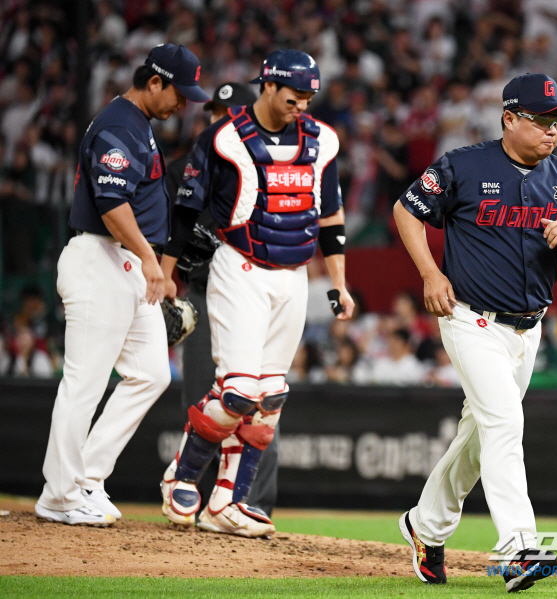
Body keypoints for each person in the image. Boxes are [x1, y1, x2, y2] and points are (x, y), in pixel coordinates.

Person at [394, 73, 557, 592]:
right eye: (541, 120)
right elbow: (406, 210)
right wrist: (430, 272)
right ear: (509, 118)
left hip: (527, 330)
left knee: (478, 437)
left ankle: (424, 525)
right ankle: (519, 546)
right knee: (505, 423)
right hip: (471, 320)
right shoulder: (464, 165)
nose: (552, 130)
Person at [159, 49, 354, 537]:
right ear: (268, 85)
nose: (301, 105)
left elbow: (330, 215)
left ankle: (226, 502)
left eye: (309, 97)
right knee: (239, 391)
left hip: (294, 276)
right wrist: (164, 273)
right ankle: (181, 475)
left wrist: (340, 282)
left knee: (270, 397)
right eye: (294, 95)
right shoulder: (224, 137)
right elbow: (185, 212)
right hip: (239, 267)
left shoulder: (322, 142)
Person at [34, 44, 208, 527]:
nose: (183, 104)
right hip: (100, 257)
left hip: (129, 265)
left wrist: (149, 264)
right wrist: (154, 261)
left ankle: (86, 477)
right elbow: (112, 206)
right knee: (85, 381)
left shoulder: (139, 127)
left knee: (151, 372)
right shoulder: (118, 125)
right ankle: (60, 495)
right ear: (154, 82)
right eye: (179, 92)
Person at [165, 81, 280, 517]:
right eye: (216, 112)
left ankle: (249, 501)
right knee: (204, 399)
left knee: (263, 399)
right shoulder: (182, 169)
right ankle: (195, 495)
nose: (224, 119)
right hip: (201, 292)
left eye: (232, 112)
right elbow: (166, 236)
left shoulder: (269, 166)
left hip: (254, 291)